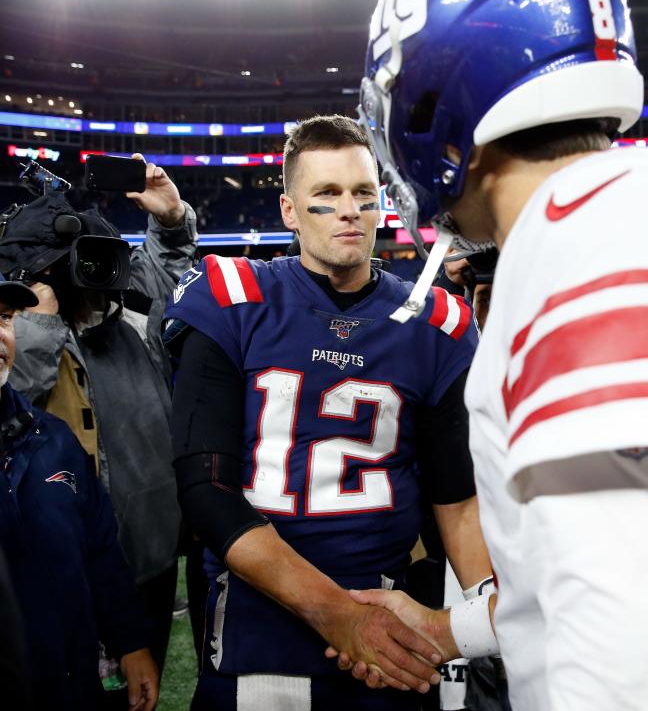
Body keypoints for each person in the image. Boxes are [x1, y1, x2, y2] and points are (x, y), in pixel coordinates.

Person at [334, 0, 648, 709]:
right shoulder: (621, 216)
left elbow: (646, 656)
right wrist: (450, 629)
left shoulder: (607, 239)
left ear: (440, 106)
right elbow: (591, 565)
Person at [163, 114, 493, 710]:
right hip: (256, 639)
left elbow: (457, 499)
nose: (349, 210)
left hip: (393, 634)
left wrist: (489, 614)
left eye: (363, 194)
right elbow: (207, 489)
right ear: (290, 210)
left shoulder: (436, 324)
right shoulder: (232, 298)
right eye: (327, 194)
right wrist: (338, 615)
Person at [0, 155, 197, 675]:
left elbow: (170, 274)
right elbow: (16, 390)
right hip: (55, 575)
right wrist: (36, 323)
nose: (91, 278)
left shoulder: (128, 317)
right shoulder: (16, 335)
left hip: (150, 560)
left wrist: (171, 219)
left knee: (141, 684)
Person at [0, 272, 158, 711]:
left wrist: (129, 642)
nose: (0, 333)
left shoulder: (52, 436)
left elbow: (100, 548)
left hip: (70, 681)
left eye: (6, 317)